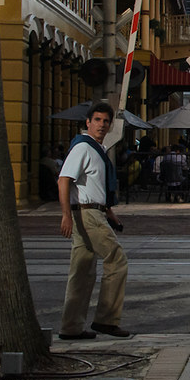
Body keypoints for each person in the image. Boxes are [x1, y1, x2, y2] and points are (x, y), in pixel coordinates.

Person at [57, 102, 129, 340]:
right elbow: (64, 180)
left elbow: (93, 186)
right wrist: (66, 214)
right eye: (97, 120)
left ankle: (71, 326)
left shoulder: (96, 148)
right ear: (88, 123)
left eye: (106, 121)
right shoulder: (83, 148)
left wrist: (109, 212)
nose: (101, 125)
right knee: (116, 259)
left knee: (82, 271)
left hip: (92, 211)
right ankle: (106, 320)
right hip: (87, 214)